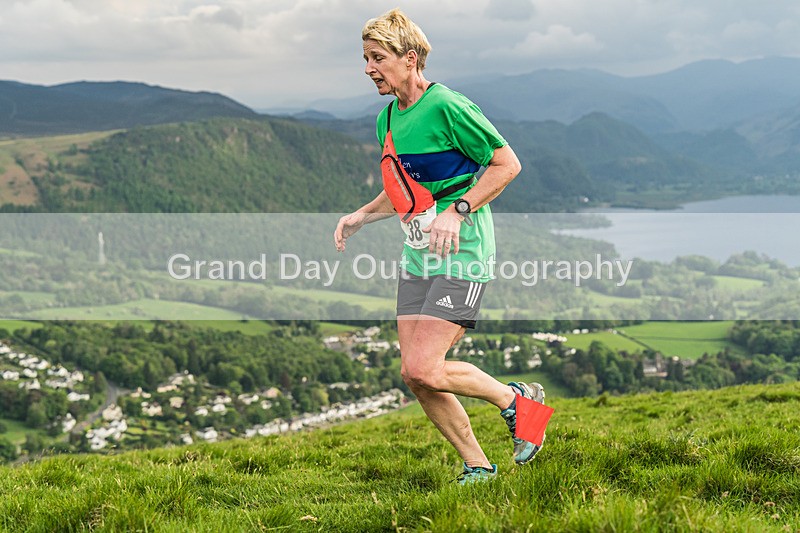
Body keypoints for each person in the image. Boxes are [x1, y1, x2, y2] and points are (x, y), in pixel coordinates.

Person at [333, 8, 545, 484]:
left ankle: (519, 403)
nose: (368, 68)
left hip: (463, 255)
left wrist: (458, 210)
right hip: (417, 257)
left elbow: (505, 164)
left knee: (426, 365)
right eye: (366, 58)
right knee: (415, 373)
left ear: (410, 59)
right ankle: (478, 465)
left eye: (377, 58)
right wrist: (362, 215)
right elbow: (404, 192)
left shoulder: (447, 105)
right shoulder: (387, 117)